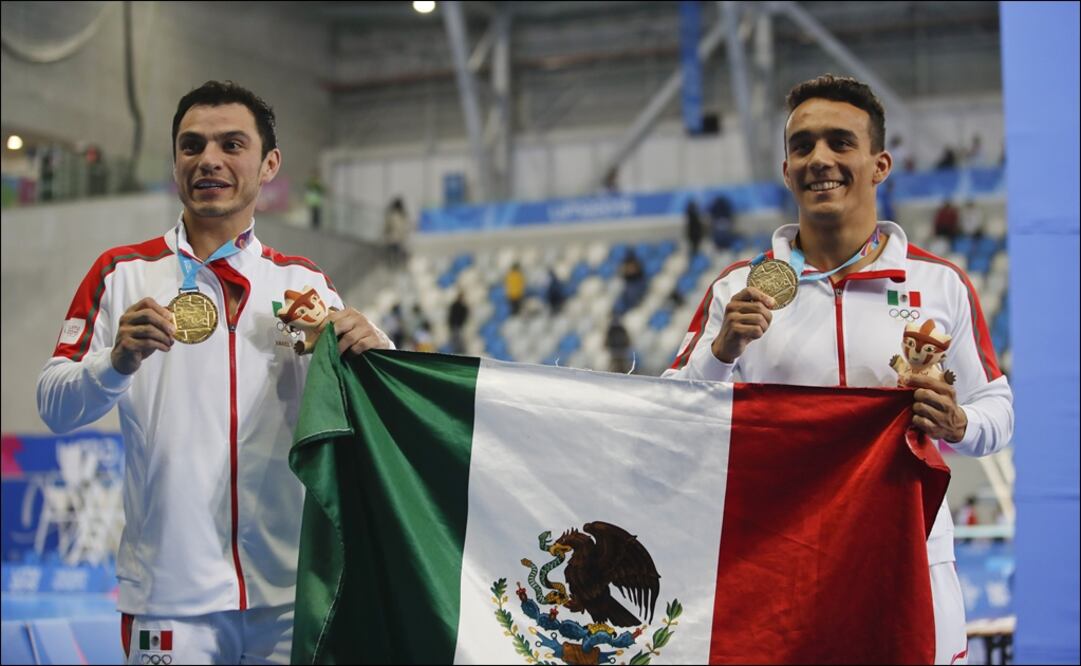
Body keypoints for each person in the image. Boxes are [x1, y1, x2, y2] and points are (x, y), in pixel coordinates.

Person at [36, 80, 393, 665]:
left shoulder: (305, 284)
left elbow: (367, 406)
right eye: (191, 145)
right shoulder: (121, 273)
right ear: (175, 161)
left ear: (269, 163)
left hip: (286, 595)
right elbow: (53, 404)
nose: (209, 160)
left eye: (232, 144)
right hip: (168, 597)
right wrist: (115, 363)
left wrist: (376, 347)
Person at [663, 74, 1013, 665]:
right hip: (781, 571)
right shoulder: (737, 291)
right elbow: (670, 418)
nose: (819, 159)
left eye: (839, 143)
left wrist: (958, 424)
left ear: (880, 165)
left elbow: (999, 410)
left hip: (910, 562)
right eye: (802, 146)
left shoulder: (938, 285)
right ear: (786, 169)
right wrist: (719, 353)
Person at [615, 248, 647, 314]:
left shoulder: (642, 283)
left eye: (632, 267)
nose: (630, 269)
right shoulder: (622, 282)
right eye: (628, 267)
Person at [383, 196, 412, 262]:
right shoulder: (404, 215)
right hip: (401, 240)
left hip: (393, 240)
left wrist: (385, 235)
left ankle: (392, 266)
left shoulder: (391, 215)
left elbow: (386, 227)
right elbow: (407, 228)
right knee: (400, 255)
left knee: (392, 256)